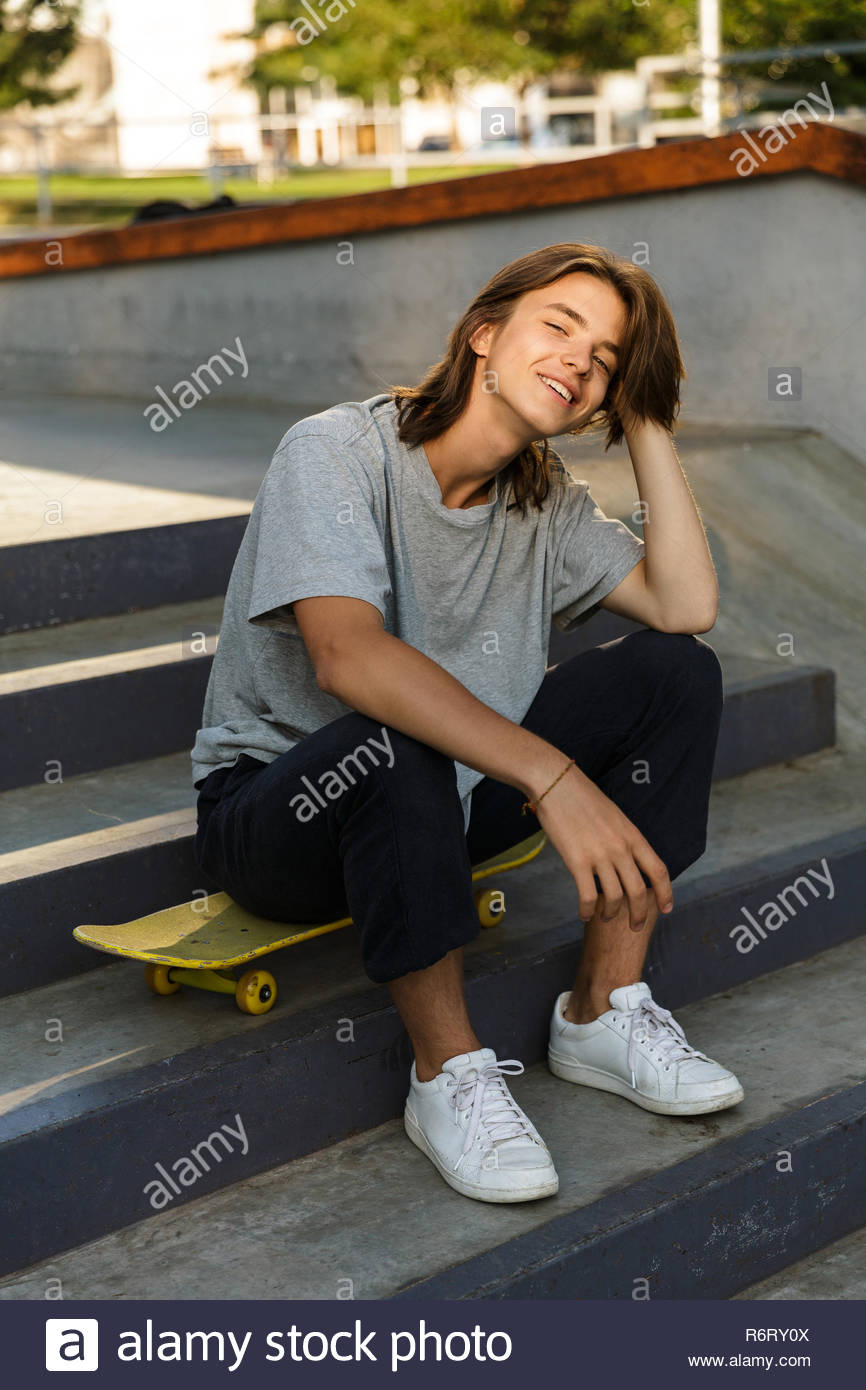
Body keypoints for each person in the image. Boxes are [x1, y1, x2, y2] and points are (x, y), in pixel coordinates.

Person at [191, 242, 743, 1206]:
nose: (580, 360)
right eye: (559, 327)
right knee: (392, 729)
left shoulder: (547, 502)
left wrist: (648, 417)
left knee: (674, 671)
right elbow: (347, 657)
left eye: (607, 359)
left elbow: (685, 604)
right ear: (485, 335)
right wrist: (553, 777)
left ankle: (602, 1011)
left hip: (447, 801)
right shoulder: (336, 452)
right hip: (283, 815)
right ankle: (448, 1073)